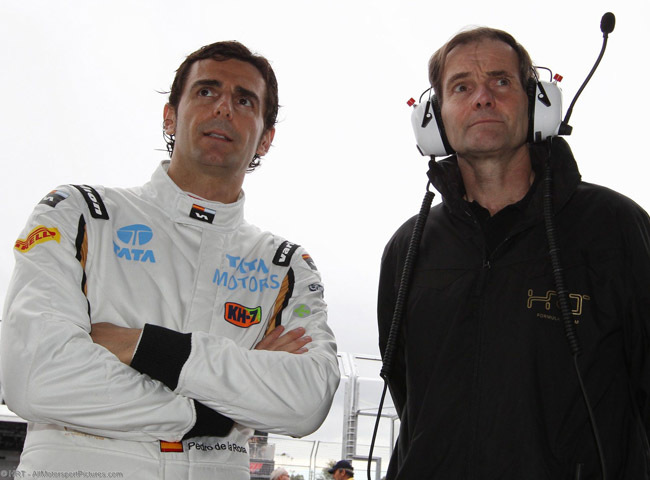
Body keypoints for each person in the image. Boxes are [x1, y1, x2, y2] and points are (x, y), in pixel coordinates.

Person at [1, 40, 340, 479]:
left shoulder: (285, 263)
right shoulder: (80, 212)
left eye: (244, 100)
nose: (223, 107)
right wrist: (216, 412)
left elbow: (307, 401)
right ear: (169, 116)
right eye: (206, 91)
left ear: (266, 139)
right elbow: (35, 377)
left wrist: (142, 347)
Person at [378, 27, 650, 479]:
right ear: (434, 119)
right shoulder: (408, 249)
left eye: (501, 81)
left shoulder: (617, 227)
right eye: (461, 87)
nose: (482, 98)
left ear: (538, 103)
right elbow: (409, 393)